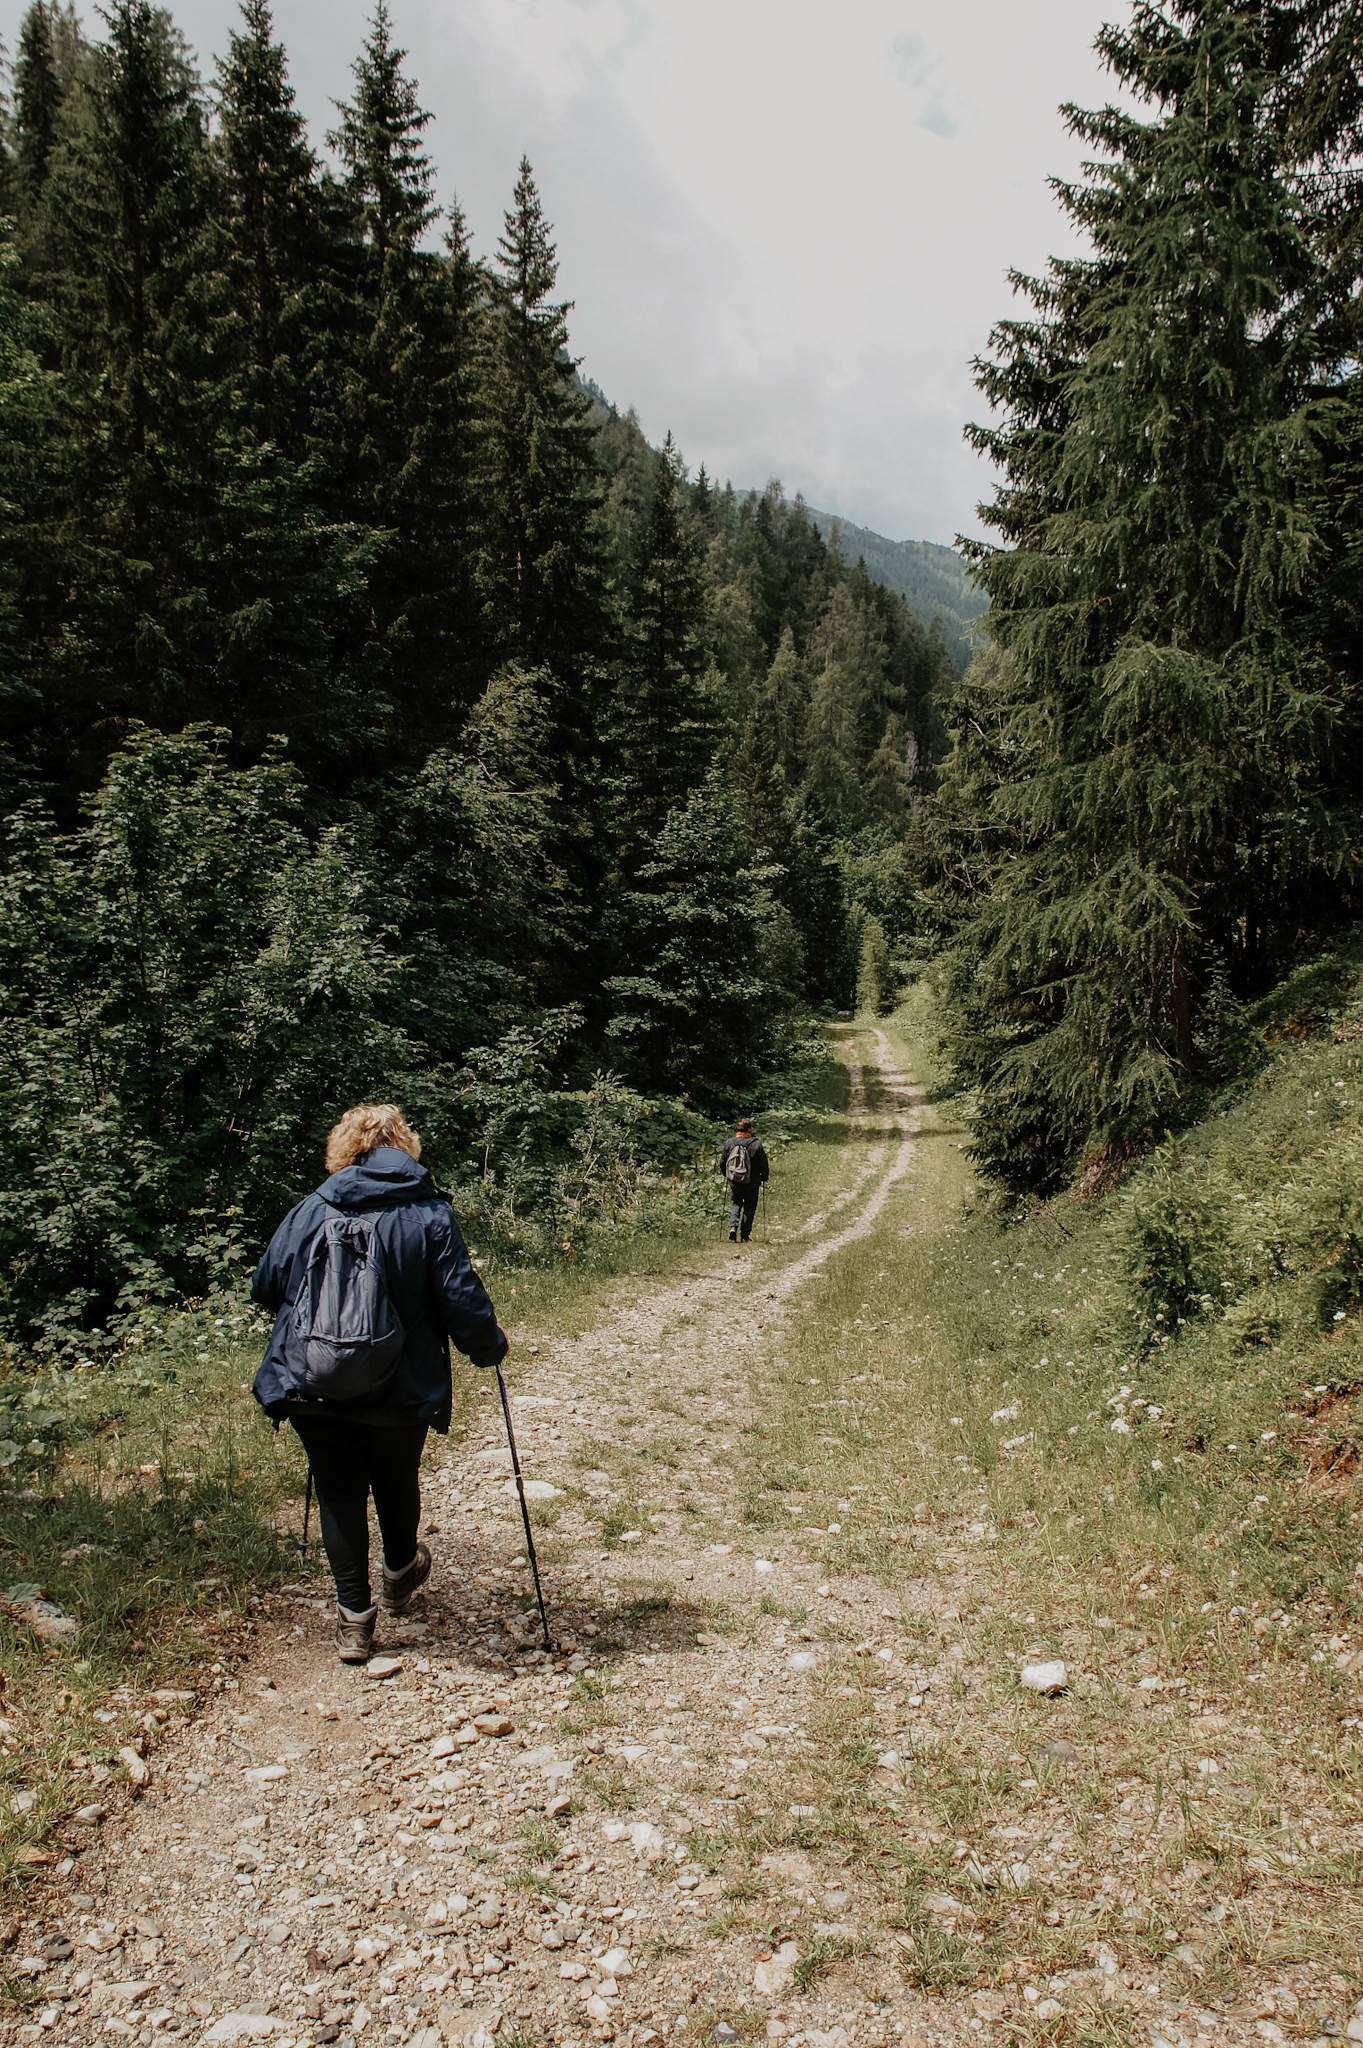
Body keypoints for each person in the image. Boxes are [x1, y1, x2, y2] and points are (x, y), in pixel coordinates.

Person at [251, 1103, 508, 1664]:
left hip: (311, 1382)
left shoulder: (311, 1207)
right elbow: (460, 1299)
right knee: (394, 1477)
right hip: (401, 1384)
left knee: (339, 1491)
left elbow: (266, 1285)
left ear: (343, 1148)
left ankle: (354, 1622)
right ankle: (398, 1572)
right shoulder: (428, 1213)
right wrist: (489, 1348)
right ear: (405, 1148)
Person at [718, 1116, 769, 1243]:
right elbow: (763, 1164)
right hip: (752, 1181)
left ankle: (733, 1227)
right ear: (749, 1129)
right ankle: (745, 1236)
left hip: (735, 1180)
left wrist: (728, 1175)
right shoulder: (756, 1143)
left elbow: (722, 1162)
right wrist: (764, 1177)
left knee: (736, 1203)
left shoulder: (730, 1142)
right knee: (749, 1207)